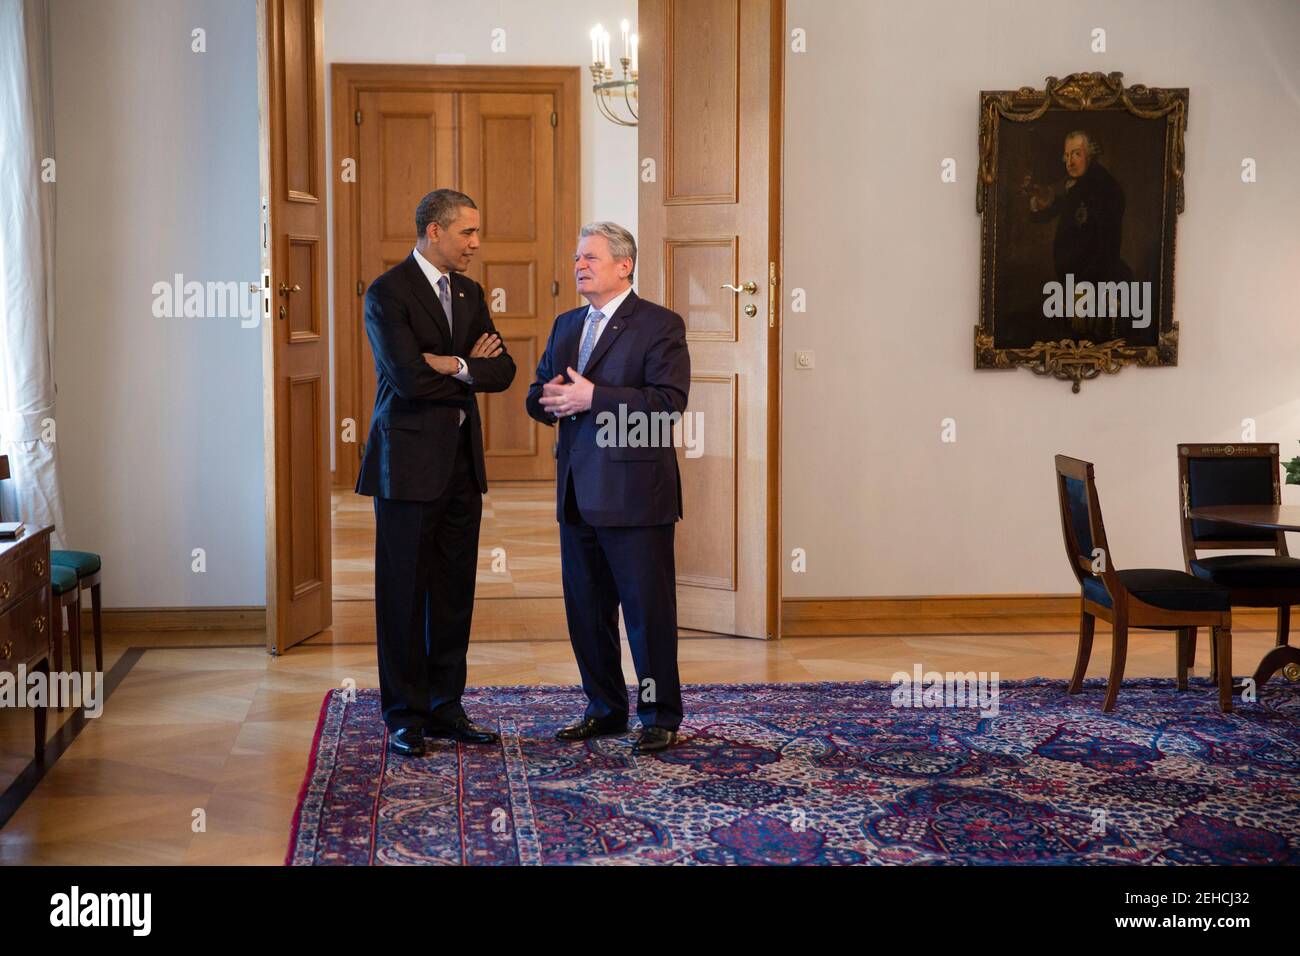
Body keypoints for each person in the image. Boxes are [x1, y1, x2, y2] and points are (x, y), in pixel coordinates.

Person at [356, 188, 516, 757]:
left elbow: (503, 371)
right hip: (405, 463)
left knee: (453, 591)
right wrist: (467, 369)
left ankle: (447, 707)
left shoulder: (470, 292)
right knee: (402, 593)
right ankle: (405, 715)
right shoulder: (387, 292)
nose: (477, 243)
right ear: (433, 232)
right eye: (467, 232)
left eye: (477, 232)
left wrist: (452, 362)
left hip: (460, 465)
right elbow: (406, 378)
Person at [525, 221, 690, 754]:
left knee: (647, 613)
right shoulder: (566, 324)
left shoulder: (660, 325)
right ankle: (604, 709)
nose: (580, 265)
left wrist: (595, 398)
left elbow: (667, 406)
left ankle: (660, 714)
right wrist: (546, 396)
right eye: (577, 257)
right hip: (577, 492)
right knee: (587, 612)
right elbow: (539, 395)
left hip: (635, 495)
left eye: (591, 257)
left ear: (625, 265)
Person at [1023, 130, 1133, 337]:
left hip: (1098, 286)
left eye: (1076, 154)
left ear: (1090, 155)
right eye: (1067, 156)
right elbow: (1054, 207)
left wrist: (1084, 290)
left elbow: (1106, 246)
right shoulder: (1079, 183)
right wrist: (1039, 195)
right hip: (1075, 285)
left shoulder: (1106, 189)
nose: (1070, 162)